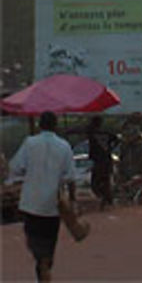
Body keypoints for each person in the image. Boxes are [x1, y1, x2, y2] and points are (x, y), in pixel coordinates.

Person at [6, 112, 78, 282]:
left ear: (40, 125)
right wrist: (72, 201)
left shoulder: (30, 143)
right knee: (49, 239)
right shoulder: (64, 146)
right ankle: (45, 262)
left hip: (31, 203)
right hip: (52, 205)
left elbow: (15, 167)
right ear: (56, 126)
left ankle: (41, 260)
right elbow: (70, 177)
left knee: (33, 237)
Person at [85, 116, 117, 209]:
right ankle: (107, 198)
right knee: (105, 180)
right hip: (106, 160)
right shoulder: (106, 133)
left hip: (99, 161)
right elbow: (117, 139)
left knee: (95, 182)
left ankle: (104, 197)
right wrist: (110, 149)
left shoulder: (92, 133)